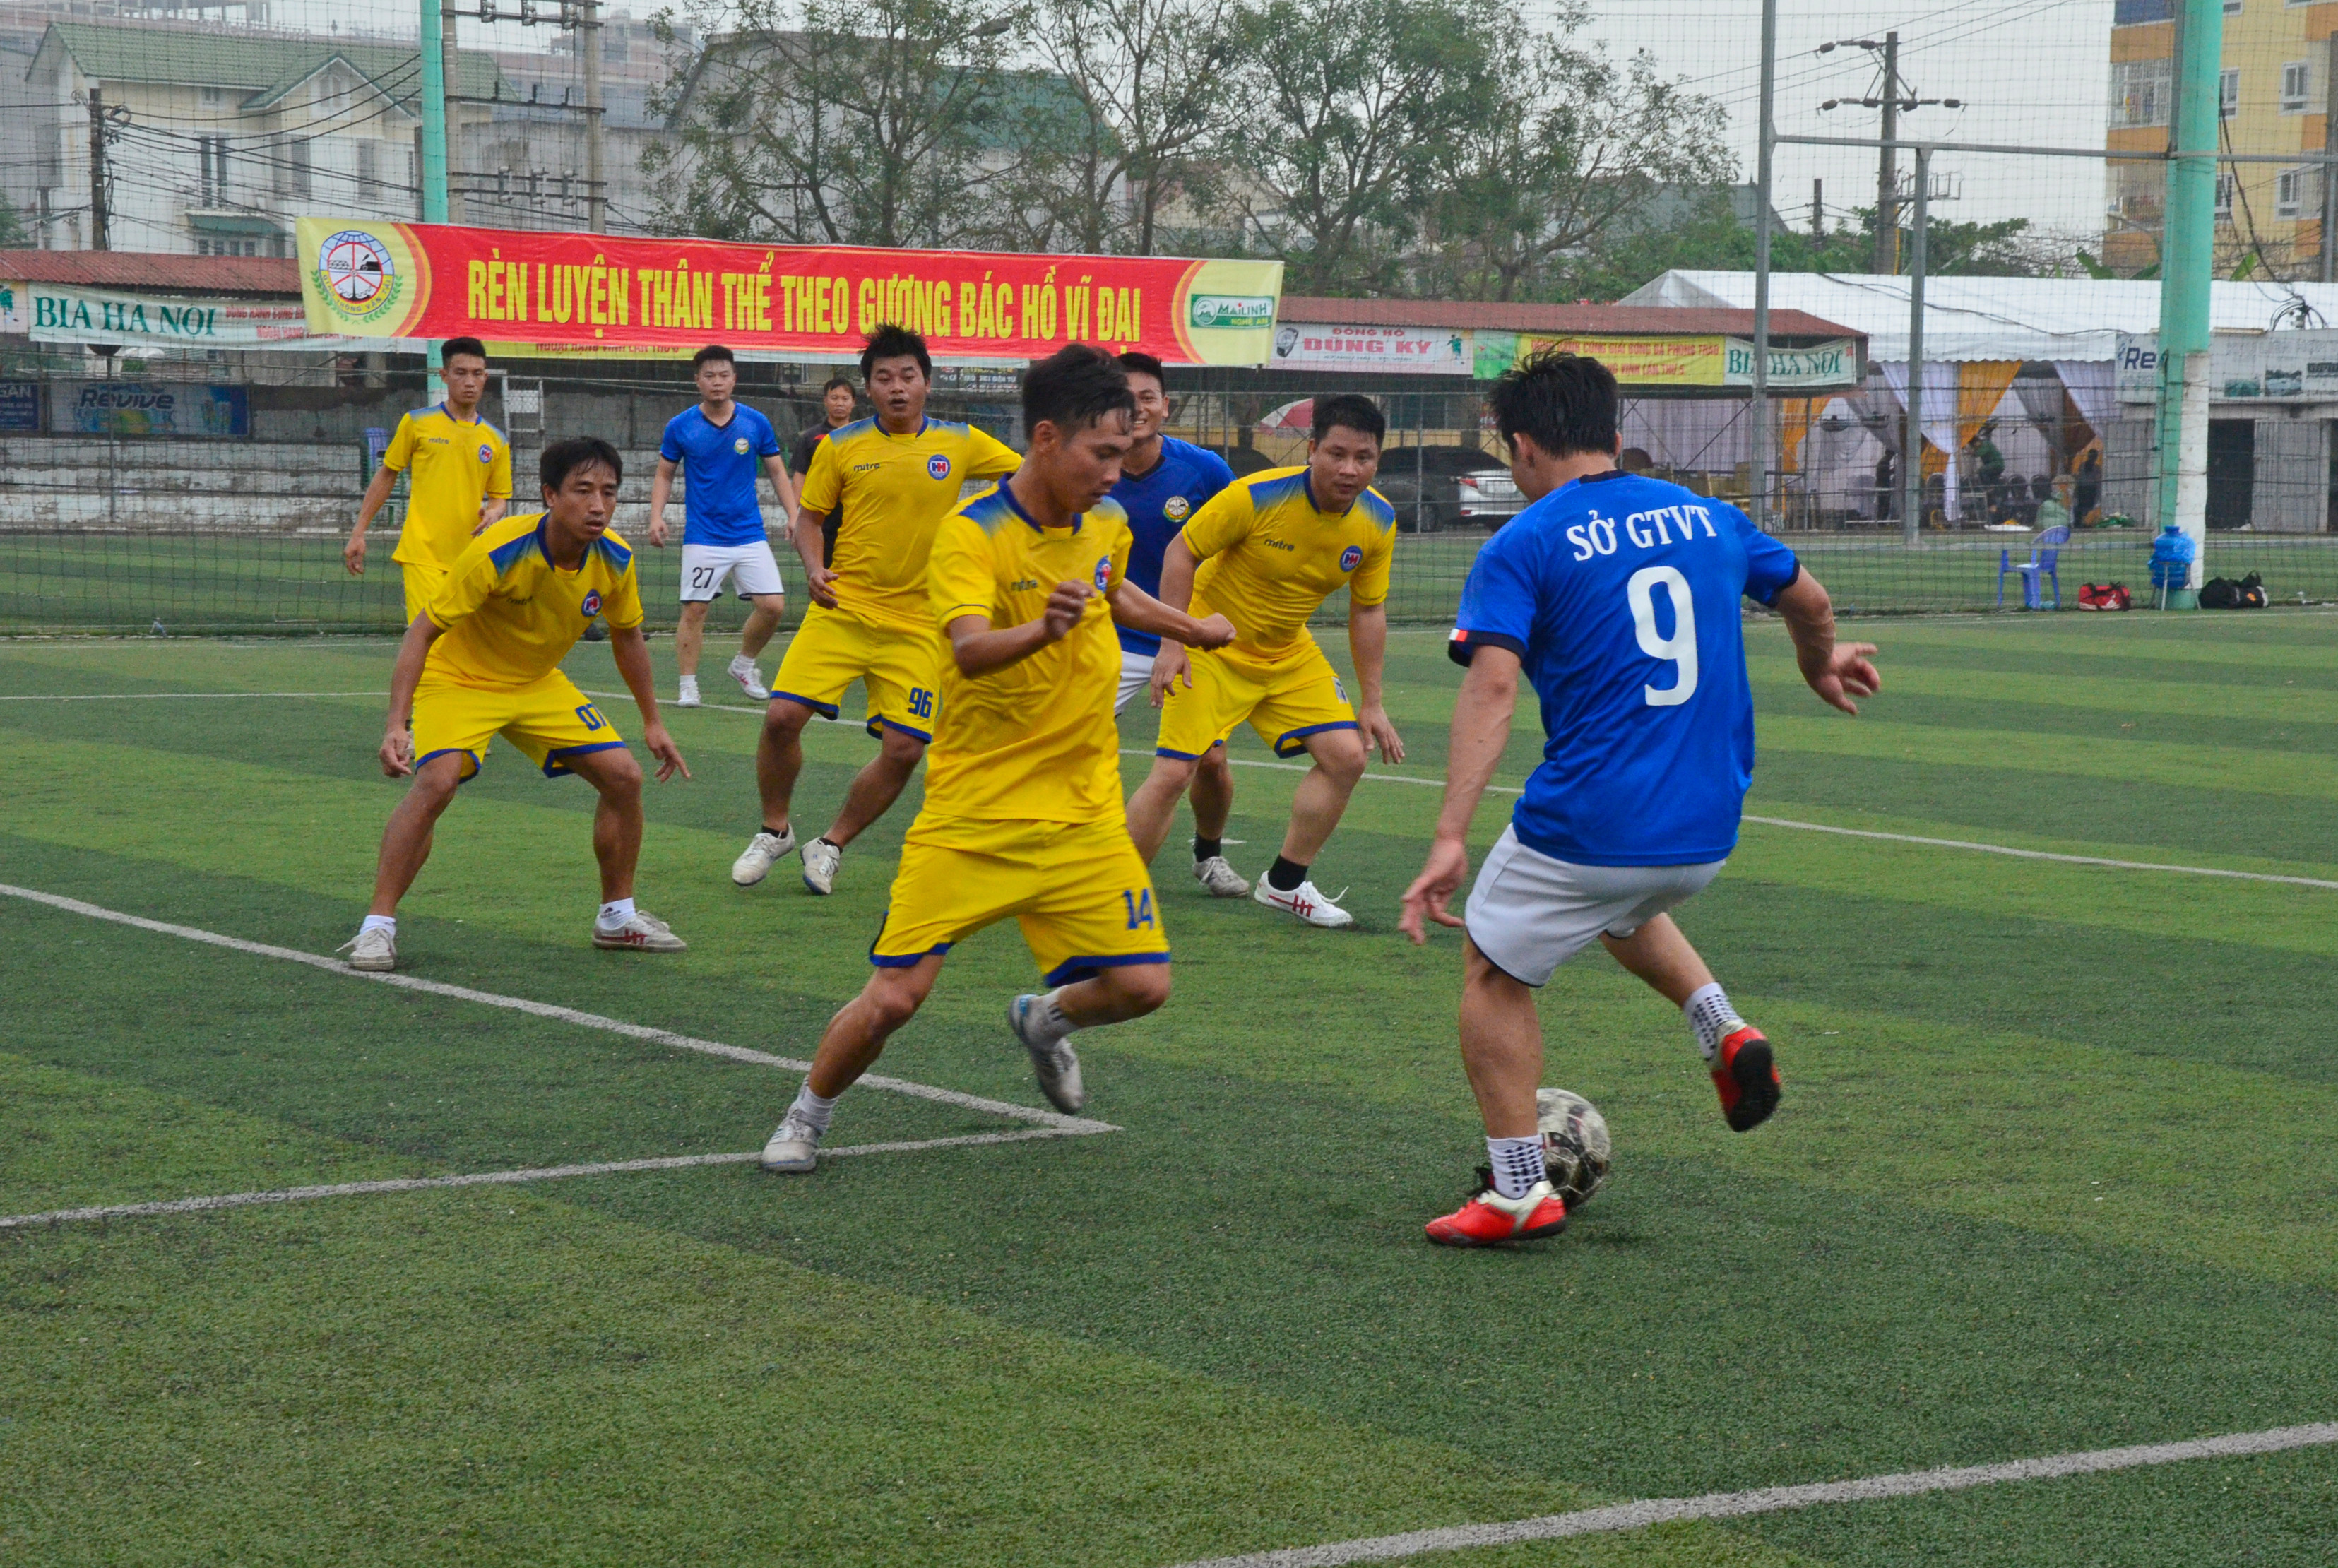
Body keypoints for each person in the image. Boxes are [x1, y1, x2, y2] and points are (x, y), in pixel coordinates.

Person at [1397, 352, 1879, 1247]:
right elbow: (1811, 603)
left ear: (1523, 447)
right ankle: (1722, 1029)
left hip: (1592, 821)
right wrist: (1822, 663)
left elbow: (1492, 691)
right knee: (1616, 904)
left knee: (1492, 974)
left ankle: (1514, 1190)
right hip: (1706, 828)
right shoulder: (1711, 517)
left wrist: (1448, 836)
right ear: (1615, 438)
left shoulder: (1525, 541)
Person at [759, 345, 1235, 1172]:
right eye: (1103, 455)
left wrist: (1186, 627)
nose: (1117, 474)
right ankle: (806, 1116)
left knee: (1142, 987)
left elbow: (1113, 584)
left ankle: (1044, 1019)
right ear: (1046, 438)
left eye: (1124, 455)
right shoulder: (970, 536)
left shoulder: (1106, 523)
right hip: (972, 818)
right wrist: (1042, 631)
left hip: (1082, 812)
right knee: (894, 999)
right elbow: (971, 651)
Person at [339, 436, 694, 974]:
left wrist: (653, 721)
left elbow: (628, 637)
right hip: (460, 679)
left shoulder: (615, 558)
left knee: (624, 777)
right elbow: (422, 632)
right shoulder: (498, 549)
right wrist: (396, 723)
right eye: (583, 491)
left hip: (535, 682)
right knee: (436, 782)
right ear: (550, 495)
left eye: (610, 492)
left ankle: (617, 918)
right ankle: (377, 928)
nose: (599, 505)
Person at [730, 326, 1022, 896]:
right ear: (867, 388)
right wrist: (815, 570)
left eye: (907, 377)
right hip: (844, 607)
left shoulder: (962, 442)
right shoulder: (839, 447)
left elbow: (1026, 476)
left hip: (919, 623)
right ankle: (774, 830)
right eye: (884, 378)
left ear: (927, 383)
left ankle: (831, 844)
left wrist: (987, 521)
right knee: (781, 719)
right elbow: (810, 520)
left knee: (905, 748)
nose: (897, 387)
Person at [1122, 393, 1404, 929]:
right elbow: (1182, 552)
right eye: (1337, 454)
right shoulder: (1255, 496)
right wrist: (1174, 642)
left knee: (1347, 756)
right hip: (1213, 644)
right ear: (1313, 450)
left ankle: (1285, 884)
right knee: (1176, 772)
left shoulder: (1378, 519)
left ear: (1377, 460)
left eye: (1363, 458)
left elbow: (1368, 609)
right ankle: (1110, 899)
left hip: (1286, 649)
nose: (1349, 469)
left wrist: (1373, 701)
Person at [1109, 350, 1247, 898]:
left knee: (1210, 762)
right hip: (1108, 637)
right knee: (1064, 743)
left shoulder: (1205, 471)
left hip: (1186, 638)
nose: (1137, 408)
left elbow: (1240, 540)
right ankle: (1053, 852)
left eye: (1147, 397)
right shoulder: (1090, 466)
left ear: (1166, 406)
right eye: (1124, 398)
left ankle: (1208, 856)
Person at [647, 345, 797, 708]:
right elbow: (665, 473)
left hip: (749, 532)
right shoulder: (680, 426)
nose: (717, 382)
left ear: (735, 379)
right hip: (703, 536)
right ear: (697, 380)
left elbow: (777, 470)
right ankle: (687, 684)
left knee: (774, 607)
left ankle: (744, 665)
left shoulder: (755, 422)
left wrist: (794, 514)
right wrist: (656, 516)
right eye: (709, 375)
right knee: (695, 609)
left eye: (724, 375)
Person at [344, 337, 512, 624]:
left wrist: (495, 511)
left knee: (463, 649)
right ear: (444, 376)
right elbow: (387, 474)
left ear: (485, 377)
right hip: (422, 555)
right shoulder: (417, 423)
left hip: (468, 560)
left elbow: (499, 497)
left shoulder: (496, 441)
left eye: (477, 374)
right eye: (460, 373)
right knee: (429, 643)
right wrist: (359, 532)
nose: (470, 382)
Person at [794, 374, 858, 482]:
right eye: (834, 398)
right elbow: (800, 475)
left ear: (853, 402)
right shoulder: (810, 438)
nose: (840, 404)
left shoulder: (863, 435)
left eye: (845, 399)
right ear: (825, 401)